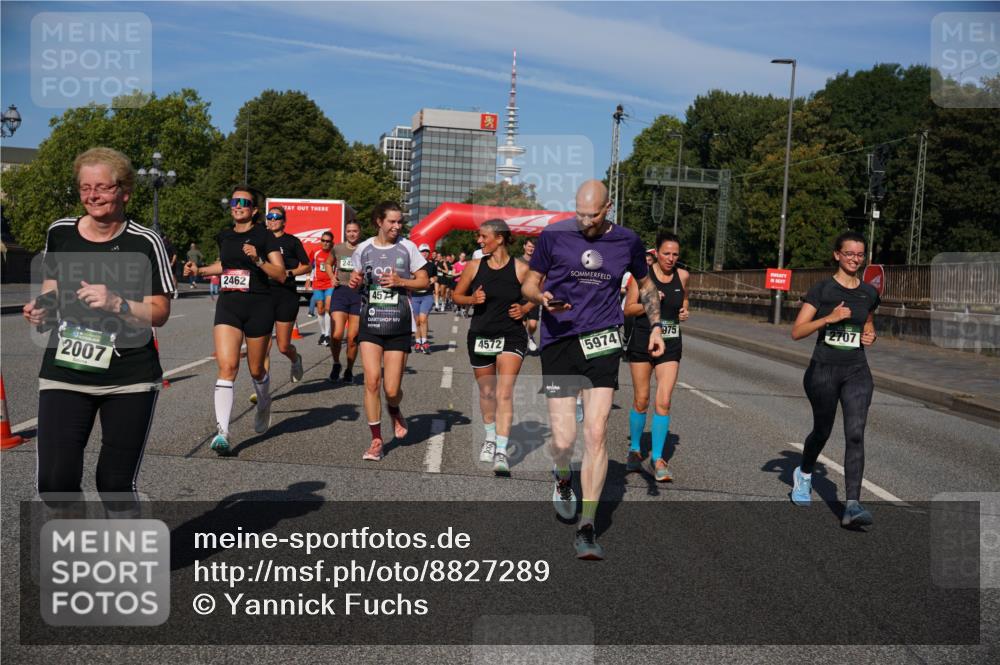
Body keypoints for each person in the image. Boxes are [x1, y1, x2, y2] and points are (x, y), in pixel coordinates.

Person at [22, 147, 174, 511]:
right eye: (84, 188)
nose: (92, 196)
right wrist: (41, 309)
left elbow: (160, 312)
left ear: (125, 192)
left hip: (128, 375)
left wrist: (117, 303)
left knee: (115, 484)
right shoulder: (60, 232)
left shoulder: (145, 241)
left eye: (102, 188)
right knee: (55, 482)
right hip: (66, 370)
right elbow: (53, 288)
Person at [522, 180, 664, 560]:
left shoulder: (627, 241)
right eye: (580, 213)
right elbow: (529, 283)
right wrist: (542, 298)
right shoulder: (553, 236)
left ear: (609, 208)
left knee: (597, 431)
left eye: (594, 215)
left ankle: (587, 526)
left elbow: (646, 285)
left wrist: (657, 328)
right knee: (566, 439)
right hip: (560, 340)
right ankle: (564, 477)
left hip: (602, 341)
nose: (585, 222)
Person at [184, 186, 285, 454]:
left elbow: (281, 274)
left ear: (254, 209)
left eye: (244, 202)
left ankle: (264, 402)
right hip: (229, 305)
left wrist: (259, 259)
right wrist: (200, 270)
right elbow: (225, 266)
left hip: (259, 305)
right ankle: (223, 433)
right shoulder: (225, 235)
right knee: (227, 367)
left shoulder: (264, 236)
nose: (238, 205)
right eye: (234, 201)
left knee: (256, 370)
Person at [790, 231, 879, 528]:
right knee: (822, 431)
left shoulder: (869, 292)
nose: (855, 259)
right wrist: (829, 318)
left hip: (856, 371)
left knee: (855, 433)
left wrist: (870, 333)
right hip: (823, 371)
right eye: (849, 253)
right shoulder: (822, 290)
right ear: (837, 255)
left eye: (859, 254)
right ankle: (803, 473)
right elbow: (798, 331)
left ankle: (852, 504)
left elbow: (867, 321)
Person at [348, 202, 429, 462]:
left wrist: (401, 281)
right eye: (392, 222)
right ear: (378, 222)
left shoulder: (408, 247)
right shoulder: (363, 249)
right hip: (371, 321)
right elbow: (357, 279)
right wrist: (354, 281)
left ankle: (394, 409)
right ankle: (376, 440)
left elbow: (424, 280)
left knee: (391, 389)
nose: (397, 226)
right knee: (372, 381)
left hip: (399, 323)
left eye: (399, 222)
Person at [452, 220, 533, 476]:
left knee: (504, 392)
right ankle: (489, 438)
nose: (479, 240)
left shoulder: (521, 269)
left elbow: (538, 293)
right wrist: (471, 299)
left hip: (511, 335)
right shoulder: (474, 266)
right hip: (481, 334)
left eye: (482, 236)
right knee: (487, 392)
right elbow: (456, 296)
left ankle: (501, 450)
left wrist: (525, 308)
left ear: (499, 238)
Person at [623, 233, 689, 481]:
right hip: (642, 341)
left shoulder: (683, 276)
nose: (671, 259)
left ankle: (658, 458)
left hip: (670, 343)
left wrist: (684, 311)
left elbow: (684, 300)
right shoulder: (640, 277)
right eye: (666, 254)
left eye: (675, 254)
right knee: (641, 400)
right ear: (656, 254)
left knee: (664, 400)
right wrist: (650, 303)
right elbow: (628, 310)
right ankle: (635, 450)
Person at [260, 206, 309, 384]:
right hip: (264, 294)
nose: (272, 219)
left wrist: (288, 273)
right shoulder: (260, 241)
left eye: (276, 217)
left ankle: (295, 359)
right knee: (264, 346)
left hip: (285, 295)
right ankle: (262, 388)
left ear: (284, 221)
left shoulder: (292, 242)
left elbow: (306, 265)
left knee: (283, 346)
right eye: (269, 216)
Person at [327, 218, 364, 382]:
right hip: (341, 291)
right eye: (349, 231)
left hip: (358, 294)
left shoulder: (365, 249)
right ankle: (336, 363)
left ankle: (349, 369)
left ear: (359, 232)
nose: (352, 234)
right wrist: (331, 277)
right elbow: (328, 263)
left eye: (355, 231)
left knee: (352, 338)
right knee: (336, 334)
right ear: (345, 232)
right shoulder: (338, 248)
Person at [306, 232, 335, 345]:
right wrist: (308, 278)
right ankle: (323, 333)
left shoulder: (334, 252)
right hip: (318, 284)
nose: (325, 243)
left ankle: (328, 335)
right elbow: (309, 265)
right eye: (323, 240)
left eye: (328, 241)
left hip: (330, 284)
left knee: (328, 307)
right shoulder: (316, 252)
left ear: (331, 242)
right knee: (320, 309)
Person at [410, 244, 437, 354]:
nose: (424, 253)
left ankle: (425, 342)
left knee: (423, 319)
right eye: (422, 251)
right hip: (415, 296)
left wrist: (433, 279)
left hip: (427, 296)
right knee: (416, 321)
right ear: (418, 252)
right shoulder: (413, 265)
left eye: (426, 251)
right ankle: (418, 342)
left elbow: (436, 276)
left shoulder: (431, 265)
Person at [521, 237, 540, 352]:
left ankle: (530, 336)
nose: (531, 249)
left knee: (532, 325)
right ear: (524, 246)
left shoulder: (539, 261)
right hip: (520, 296)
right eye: (529, 246)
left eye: (533, 247)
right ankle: (522, 344)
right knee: (522, 324)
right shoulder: (517, 260)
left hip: (533, 297)